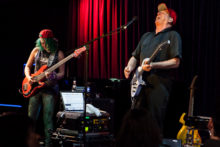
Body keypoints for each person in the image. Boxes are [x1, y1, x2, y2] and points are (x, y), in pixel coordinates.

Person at [124, 3, 182, 135]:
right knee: (136, 119)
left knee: (153, 120)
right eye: (157, 13)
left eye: (163, 12)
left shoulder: (173, 35)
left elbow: (176, 62)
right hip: (140, 82)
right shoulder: (146, 36)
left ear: (171, 19)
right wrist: (129, 67)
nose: (158, 13)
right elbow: (135, 56)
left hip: (159, 83)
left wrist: (154, 65)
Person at [24, 29, 65, 147]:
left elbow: (62, 73)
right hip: (34, 87)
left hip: (50, 89)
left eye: (45, 42)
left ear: (51, 41)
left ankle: (48, 143)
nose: (42, 44)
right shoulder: (36, 50)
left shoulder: (59, 53)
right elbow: (27, 66)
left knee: (48, 119)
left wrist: (54, 75)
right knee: (31, 118)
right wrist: (28, 76)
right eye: (41, 42)